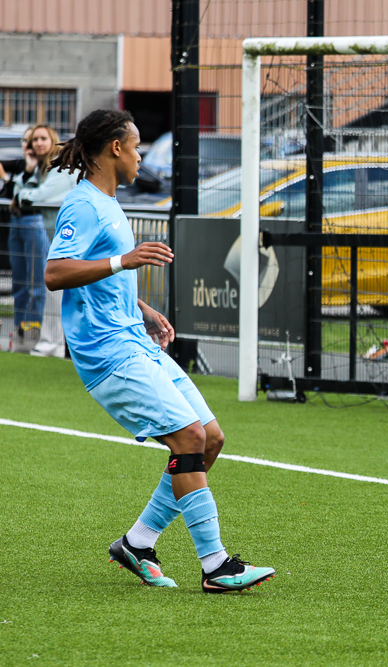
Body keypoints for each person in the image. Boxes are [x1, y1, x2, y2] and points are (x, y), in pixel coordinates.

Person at [45, 109, 274, 593]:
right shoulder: (84, 205)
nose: (139, 156)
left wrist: (142, 307)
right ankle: (216, 567)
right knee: (189, 438)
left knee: (210, 438)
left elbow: (105, 273)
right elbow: (56, 273)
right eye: (136, 146)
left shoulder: (109, 203)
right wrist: (124, 260)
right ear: (115, 149)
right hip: (107, 354)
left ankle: (138, 542)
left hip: (133, 339)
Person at [8, 124, 76, 353]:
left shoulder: (60, 167)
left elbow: (35, 196)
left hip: (59, 235)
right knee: (24, 287)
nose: (37, 143)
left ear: (52, 140)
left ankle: (45, 342)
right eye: (33, 139)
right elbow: (14, 191)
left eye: (42, 138)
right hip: (44, 231)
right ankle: (27, 338)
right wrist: (28, 170)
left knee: (43, 288)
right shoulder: (38, 169)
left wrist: (22, 195)